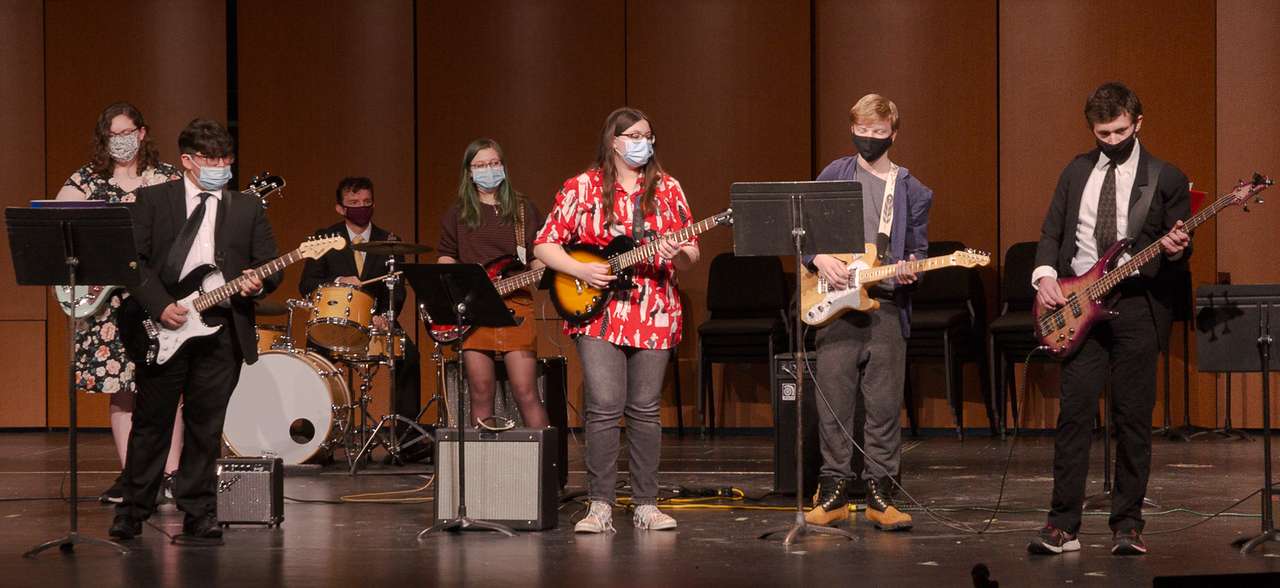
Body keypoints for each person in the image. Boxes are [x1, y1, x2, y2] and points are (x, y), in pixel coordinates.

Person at [1026, 82, 1191, 557]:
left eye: (1121, 130)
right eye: (1103, 133)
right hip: (1079, 305)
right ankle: (1062, 526)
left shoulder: (1166, 176)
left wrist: (1177, 250)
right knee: (1074, 415)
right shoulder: (1076, 171)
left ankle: (1127, 525)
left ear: (1138, 123)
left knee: (1133, 418)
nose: (1113, 140)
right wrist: (1043, 277)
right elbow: (1051, 232)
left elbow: (1178, 246)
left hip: (1138, 307)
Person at [110, 118, 281, 544]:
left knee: (207, 424)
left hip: (222, 327)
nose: (221, 166)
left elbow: (267, 262)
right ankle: (133, 509)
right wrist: (160, 305)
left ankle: (199, 509)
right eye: (211, 159)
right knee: (153, 422)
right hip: (164, 322)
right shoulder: (152, 201)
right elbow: (132, 261)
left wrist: (260, 281)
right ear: (187, 161)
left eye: (227, 158)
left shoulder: (246, 207)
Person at [534, 107, 699, 533]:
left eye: (648, 134)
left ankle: (646, 503)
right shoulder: (581, 187)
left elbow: (692, 251)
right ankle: (600, 506)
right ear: (614, 141)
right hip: (599, 314)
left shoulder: (668, 188)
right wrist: (580, 270)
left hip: (654, 310)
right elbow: (545, 245)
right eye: (634, 135)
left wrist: (675, 252)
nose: (643, 141)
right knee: (604, 408)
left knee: (645, 410)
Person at [804, 94, 931, 531]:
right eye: (862, 131)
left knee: (882, 404)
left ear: (893, 134)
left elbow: (916, 247)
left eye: (878, 133)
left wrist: (913, 267)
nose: (869, 139)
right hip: (834, 305)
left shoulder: (910, 188)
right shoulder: (834, 175)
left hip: (886, 306)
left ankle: (881, 493)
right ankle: (835, 490)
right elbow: (804, 233)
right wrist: (819, 259)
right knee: (834, 401)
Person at [54, 102, 185, 504]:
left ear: (142, 133)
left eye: (128, 133)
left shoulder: (167, 180)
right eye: (113, 135)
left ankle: (171, 474)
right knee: (122, 388)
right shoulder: (87, 179)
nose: (121, 142)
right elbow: (56, 224)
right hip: (108, 304)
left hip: (158, 298)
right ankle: (133, 478)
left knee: (167, 388)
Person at [437, 139, 549, 429]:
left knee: (526, 392)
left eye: (494, 163)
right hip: (476, 310)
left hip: (517, 306)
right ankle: (482, 469)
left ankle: (545, 469)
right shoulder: (458, 213)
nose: (489, 170)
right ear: (469, 172)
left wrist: (546, 271)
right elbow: (446, 256)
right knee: (481, 392)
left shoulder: (523, 209)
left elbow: (537, 254)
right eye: (481, 165)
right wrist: (454, 286)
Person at [298, 177, 422, 433]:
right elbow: (307, 284)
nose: (361, 207)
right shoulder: (324, 238)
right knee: (314, 361)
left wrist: (385, 316)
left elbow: (397, 291)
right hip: (334, 322)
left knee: (409, 356)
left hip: (377, 322)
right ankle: (318, 437)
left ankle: (404, 436)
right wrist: (339, 281)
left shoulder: (389, 241)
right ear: (340, 208)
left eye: (367, 202)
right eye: (354, 203)